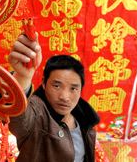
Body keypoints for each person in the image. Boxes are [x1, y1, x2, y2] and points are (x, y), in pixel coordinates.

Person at [8, 32, 100, 162]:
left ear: (80, 90)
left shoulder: (84, 120)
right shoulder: (37, 112)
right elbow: (19, 119)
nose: (64, 97)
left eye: (73, 89)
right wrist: (23, 77)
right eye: (56, 86)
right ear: (44, 83)